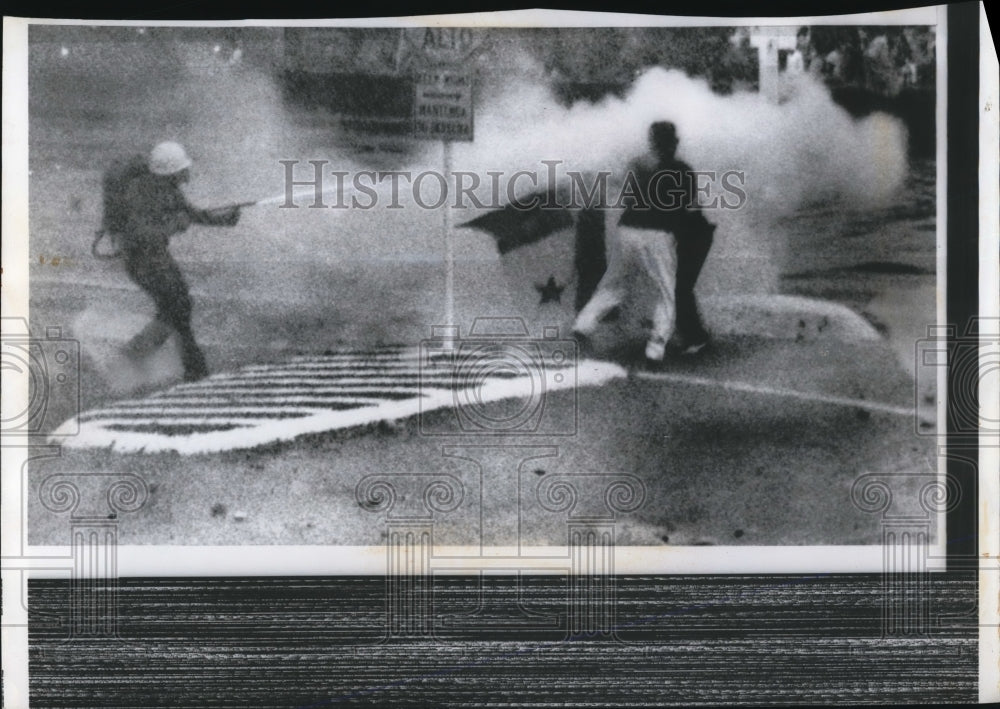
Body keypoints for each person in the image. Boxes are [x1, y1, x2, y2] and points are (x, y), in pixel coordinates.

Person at [572, 122, 715, 365]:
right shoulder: (682, 169)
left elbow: (625, 196)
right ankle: (655, 349)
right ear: (673, 142)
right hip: (658, 235)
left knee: (615, 283)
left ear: (651, 141)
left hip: (628, 230)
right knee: (666, 292)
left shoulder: (636, 164)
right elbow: (692, 208)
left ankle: (583, 324)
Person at [115, 141, 241, 382]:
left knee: (176, 307)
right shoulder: (140, 194)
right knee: (178, 306)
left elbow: (192, 214)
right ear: (171, 172)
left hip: (154, 258)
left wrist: (225, 219)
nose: (187, 174)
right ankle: (192, 368)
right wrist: (174, 226)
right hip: (143, 261)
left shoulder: (167, 189)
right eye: (182, 169)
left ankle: (139, 353)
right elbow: (141, 235)